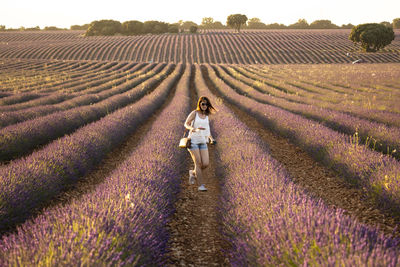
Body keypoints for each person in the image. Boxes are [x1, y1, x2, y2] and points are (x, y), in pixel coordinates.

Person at [184, 96, 217, 191]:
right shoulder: (194, 113)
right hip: (193, 141)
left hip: (203, 142)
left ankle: (193, 173)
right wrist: (193, 128)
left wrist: (211, 138)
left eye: (206, 104)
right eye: (203, 104)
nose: (205, 106)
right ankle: (201, 185)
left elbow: (208, 130)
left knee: (205, 164)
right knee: (198, 163)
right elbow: (186, 123)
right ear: (199, 104)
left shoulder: (206, 116)